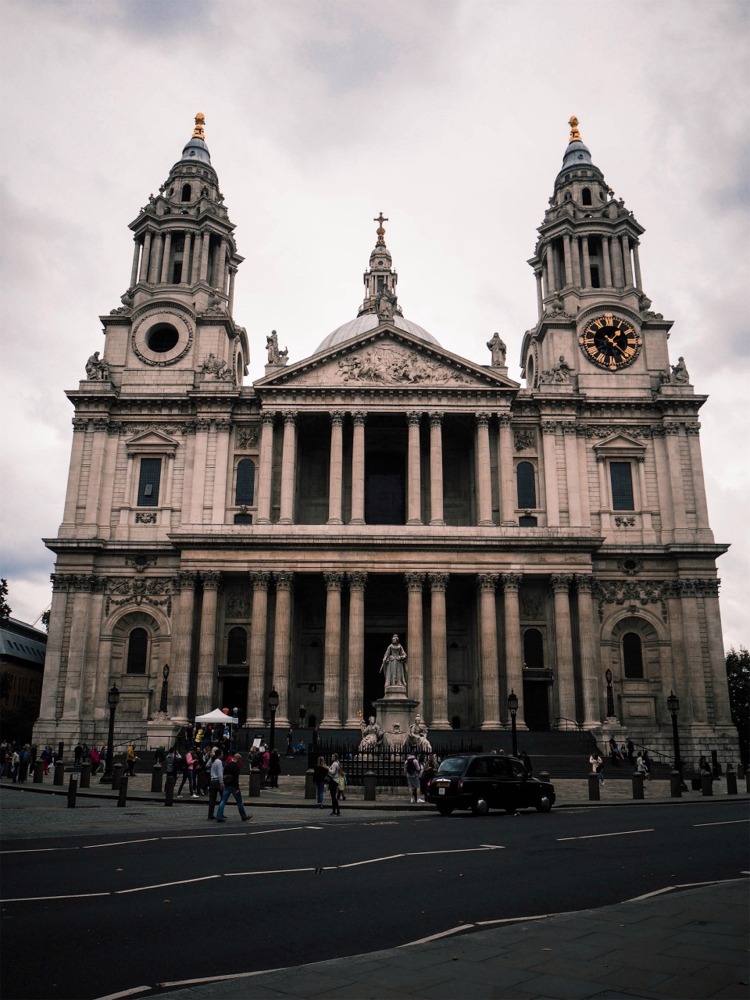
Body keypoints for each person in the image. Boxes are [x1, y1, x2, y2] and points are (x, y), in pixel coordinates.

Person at [215, 753, 251, 823]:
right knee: (239, 802)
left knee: (223, 801)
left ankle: (219, 816)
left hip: (227, 785)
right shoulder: (236, 767)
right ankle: (243, 816)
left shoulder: (227, 765)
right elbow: (236, 778)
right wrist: (237, 788)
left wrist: (224, 783)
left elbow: (224, 775)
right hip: (234, 786)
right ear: (237, 759)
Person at [207, 748, 223, 820]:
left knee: (212, 800)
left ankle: (210, 814)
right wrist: (221, 783)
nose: (223, 755)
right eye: (222, 753)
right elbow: (220, 773)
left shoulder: (213, 761)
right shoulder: (219, 762)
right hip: (217, 782)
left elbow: (207, 765)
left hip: (212, 781)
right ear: (219, 754)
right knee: (223, 798)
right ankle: (220, 813)